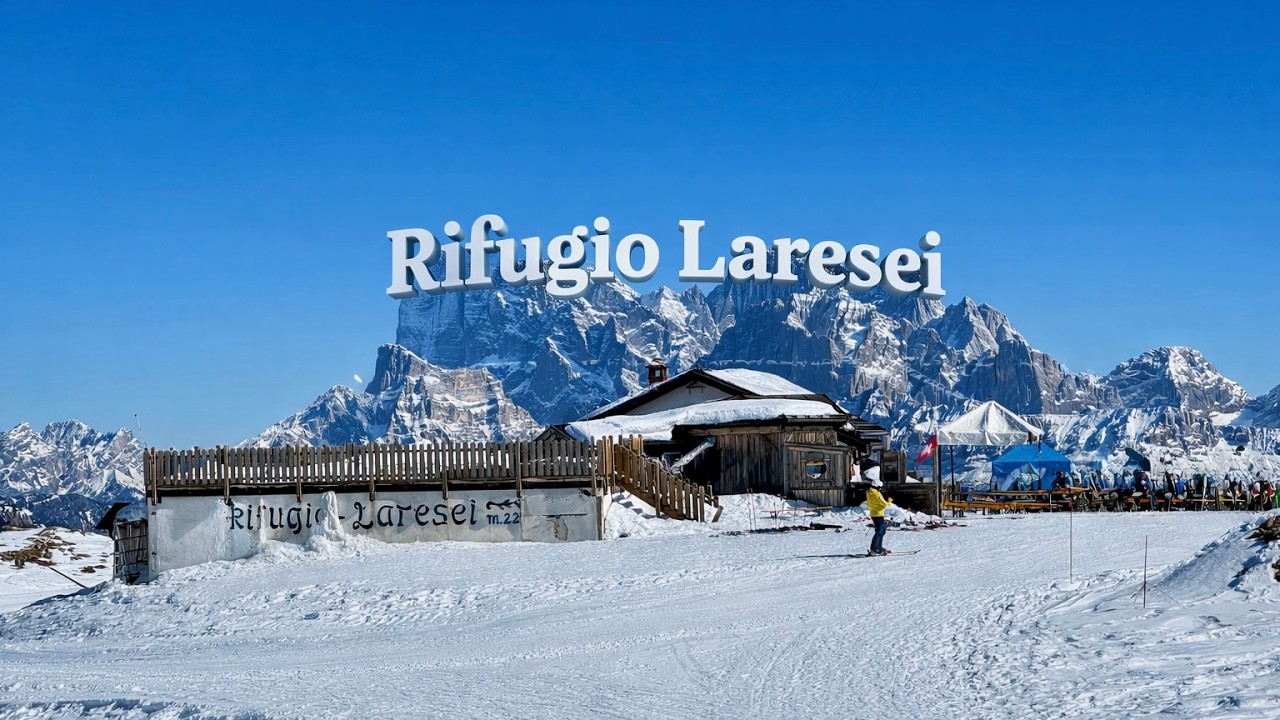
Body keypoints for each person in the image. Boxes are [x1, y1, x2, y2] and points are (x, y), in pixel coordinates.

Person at [866, 478, 892, 555]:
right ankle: (874, 549)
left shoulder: (869, 492)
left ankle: (878, 547)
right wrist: (889, 501)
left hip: (874, 513)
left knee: (881, 530)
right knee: (879, 531)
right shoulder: (877, 494)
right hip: (879, 514)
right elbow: (883, 503)